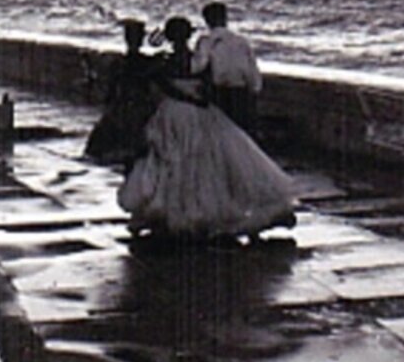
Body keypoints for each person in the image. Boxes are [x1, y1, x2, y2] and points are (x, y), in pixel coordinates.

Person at [118, 16, 296, 240]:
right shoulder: (199, 60)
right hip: (198, 111)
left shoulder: (164, 62)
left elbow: (157, 82)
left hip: (173, 112)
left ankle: (172, 211)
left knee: (172, 161)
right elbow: (210, 85)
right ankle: (198, 211)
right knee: (204, 160)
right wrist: (198, 98)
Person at [84, 19, 163, 167]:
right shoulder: (145, 62)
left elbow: (111, 89)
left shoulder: (121, 62)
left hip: (126, 105)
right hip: (135, 105)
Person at [193, 1, 262, 136]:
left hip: (219, 93)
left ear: (207, 20)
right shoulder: (241, 41)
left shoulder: (206, 41)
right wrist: (253, 91)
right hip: (241, 92)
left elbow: (198, 66)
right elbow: (253, 72)